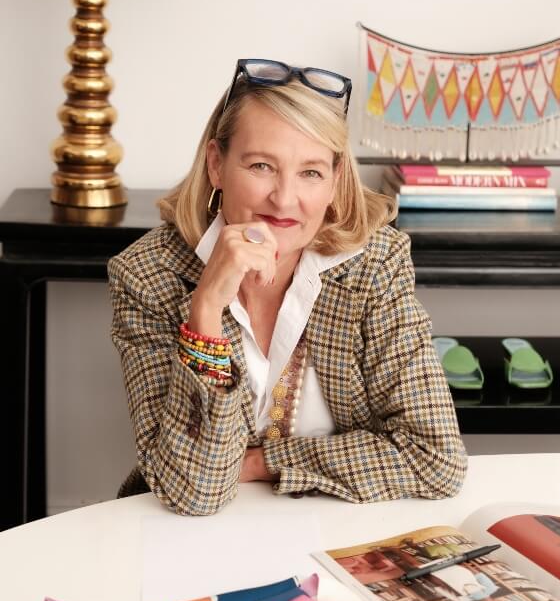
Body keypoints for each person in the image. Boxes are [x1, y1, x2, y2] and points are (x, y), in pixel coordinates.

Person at [108, 58, 467, 516]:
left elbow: (434, 458)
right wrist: (206, 312)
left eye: (311, 172)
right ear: (217, 165)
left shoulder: (374, 264)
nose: (284, 199)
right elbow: (194, 491)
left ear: (335, 180)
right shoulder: (147, 275)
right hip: (181, 534)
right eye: (261, 166)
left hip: (327, 526)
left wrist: (260, 463)